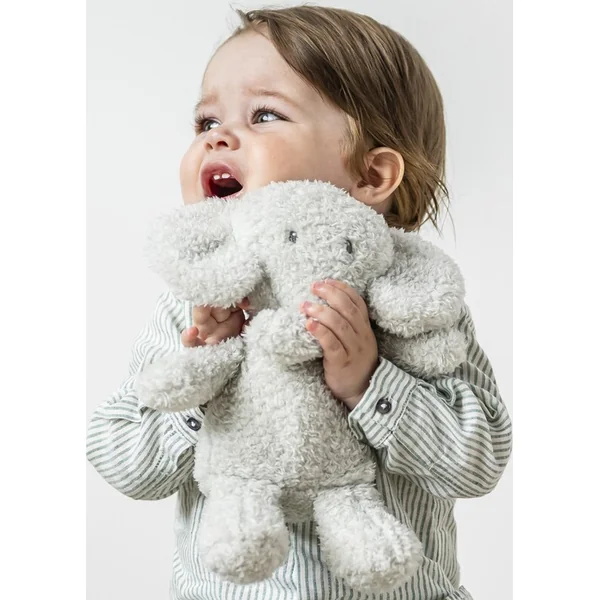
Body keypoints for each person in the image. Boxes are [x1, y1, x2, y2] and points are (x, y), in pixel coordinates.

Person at [87, 5, 512, 599]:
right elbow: (125, 463)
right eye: (206, 120)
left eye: (264, 114)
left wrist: (370, 381)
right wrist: (204, 375)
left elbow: (478, 462)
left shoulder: (414, 303)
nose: (216, 137)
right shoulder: (194, 309)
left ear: (371, 175)